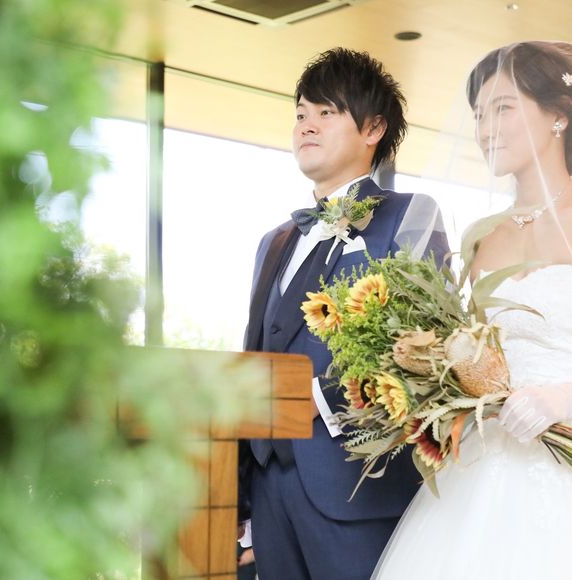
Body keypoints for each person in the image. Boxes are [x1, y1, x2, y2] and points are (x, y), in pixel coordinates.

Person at [240, 47, 448, 580]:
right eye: (300, 114)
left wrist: (319, 400)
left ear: (373, 128)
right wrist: (243, 501)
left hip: (356, 486)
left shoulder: (409, 216)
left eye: (326, 112)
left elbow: (426, 348)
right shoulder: (274, 242)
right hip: (270, 491)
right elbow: (256, 354)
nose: (306, 126)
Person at [372, 41, 572, 580]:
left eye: (502, 108)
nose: (485, 129)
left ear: (557, 115)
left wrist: (562, 397)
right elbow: (478, 351)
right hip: (488, 459)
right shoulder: (481, 236)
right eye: (479, 114)